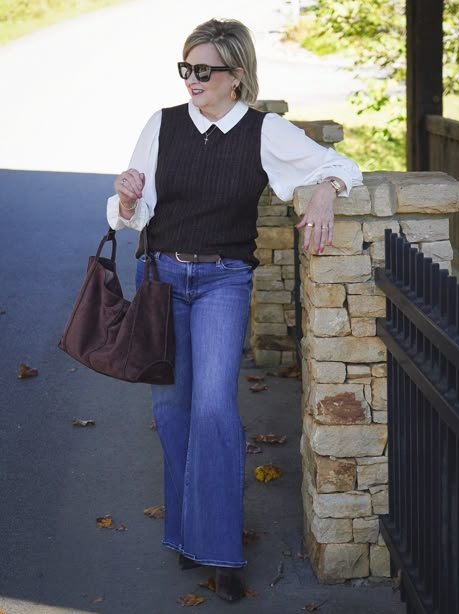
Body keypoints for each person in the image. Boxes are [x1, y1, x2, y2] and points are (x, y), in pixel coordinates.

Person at [106, 17, 363, 602]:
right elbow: (128, 211)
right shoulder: (162, 124)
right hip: (162, 279)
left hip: (224, 281)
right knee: (172, 412)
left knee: (215, 410)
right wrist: (123, 197)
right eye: (186, 69)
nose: (192, 80)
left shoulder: (264, 132)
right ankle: (185, 535)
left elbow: (340, 165)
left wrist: (324, 190)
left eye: (204, 70)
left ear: (237, 75)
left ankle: (220, 549)